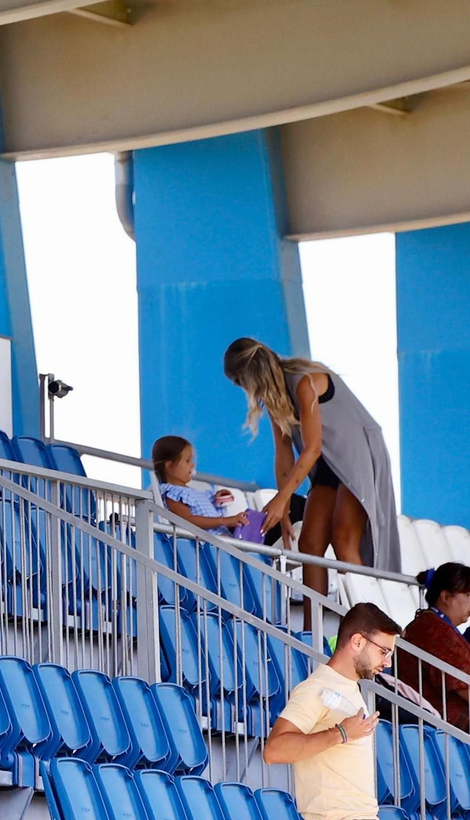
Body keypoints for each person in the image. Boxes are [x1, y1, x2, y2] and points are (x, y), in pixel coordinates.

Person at [224, 338, 402, 619]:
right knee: (310, 544)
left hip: (356, 457)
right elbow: (283, 454)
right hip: (326, 467)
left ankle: (369, 624)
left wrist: (283, 500)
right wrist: (282, 507)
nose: (242, 388)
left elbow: (312, 447)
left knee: (344, 540)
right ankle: (312, 630)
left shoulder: (304, 382)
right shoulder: (276, 399)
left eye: (239, 381)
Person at [264, 602, 400, 820]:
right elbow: (273, 751)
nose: (387, 662)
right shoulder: (316, 688)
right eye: (383, 651)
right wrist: (340, 734)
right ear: (357, 641)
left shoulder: (350, 688)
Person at [395, 563, 470, 729]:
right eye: (468, 595)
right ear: (445, 597)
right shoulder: (436, 631)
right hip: (444, 724)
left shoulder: (428, 624)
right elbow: (465, 687)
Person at [152, 435, 247, 536]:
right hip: (207, 546)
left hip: (221, 541)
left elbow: (205, 511)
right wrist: (224, 521)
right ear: (170, 466)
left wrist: (217, 498)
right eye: (187, 461)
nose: (192, 465)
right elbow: (187, 521)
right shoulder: (173, 494)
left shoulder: (192, 492)